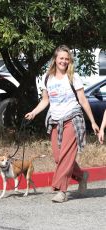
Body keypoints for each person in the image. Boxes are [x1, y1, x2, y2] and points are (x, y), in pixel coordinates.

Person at [25, 45, 99, 203]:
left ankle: (61, 191)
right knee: (59, 158)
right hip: (55, 120)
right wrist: (33, 112)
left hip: (73, 118)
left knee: (66, 156)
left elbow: (83, 100)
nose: (64, 61)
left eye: (67, 59)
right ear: (55, 59)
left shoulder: (73, 77)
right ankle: (81, 175)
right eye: (61, 58)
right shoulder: (47, 78)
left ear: (70, 61)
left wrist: (92, 121)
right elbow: (45, 100)